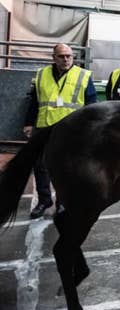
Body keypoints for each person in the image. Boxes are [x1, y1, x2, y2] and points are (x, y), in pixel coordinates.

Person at [23, 43, 97, 218]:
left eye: (69, 56)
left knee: (67, 168)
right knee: (41, 166)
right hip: (44, 127)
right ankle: (44, 201)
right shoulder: (42, 75)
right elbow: (34, 102)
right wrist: (28, 123)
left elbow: (92, 105)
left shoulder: (83, 76)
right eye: (61, 56)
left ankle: (62, 202)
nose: (66, 59)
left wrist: (90, 130)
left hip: (71, 130)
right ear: (53, 58)